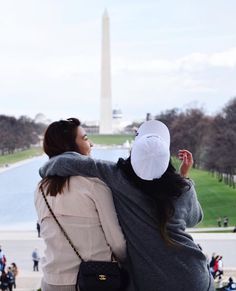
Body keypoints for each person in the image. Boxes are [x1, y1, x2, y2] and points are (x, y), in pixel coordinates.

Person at [40, 119, 215, 291]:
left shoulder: (117, 177)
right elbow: (195, 218)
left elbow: (69, 163)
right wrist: (183, 176)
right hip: (194, 277)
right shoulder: (183, 188)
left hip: (149, 281)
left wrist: (45, 170)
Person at [35, 118, 127, 291]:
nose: (90, 143)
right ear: (70, 145)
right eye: (85, 138)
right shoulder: (93, 184)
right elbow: (117, 243)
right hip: (94, 280)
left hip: (52, 280)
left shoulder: (40, 188)